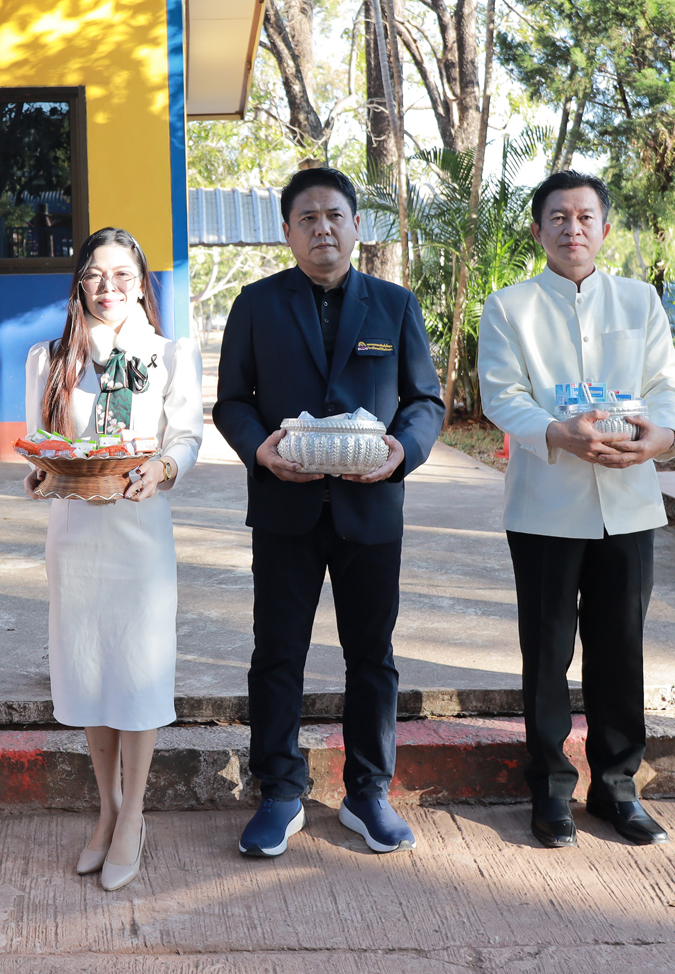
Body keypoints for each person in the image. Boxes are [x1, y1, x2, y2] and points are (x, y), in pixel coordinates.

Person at [213, 167, 445, 858]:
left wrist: (402, 451)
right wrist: (260, 450)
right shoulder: (256, 304)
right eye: (307, 218)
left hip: (369, 508)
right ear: (287, 231)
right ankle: (280, 791)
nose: (322, 229)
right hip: (283, 509)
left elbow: (425, 401)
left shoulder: (394, 305)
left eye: (334, 215)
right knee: (277, 653)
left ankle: (367, 792)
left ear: (356, 226)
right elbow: (232, 402)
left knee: (372, 655)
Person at [475, 172, 675, 849]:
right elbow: (501, 393)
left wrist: (660, 437)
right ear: (538, 230)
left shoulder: (639, 300)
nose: (573, 228)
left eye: (586, 217)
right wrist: (555, 432)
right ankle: (549, 787)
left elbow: (667, 386)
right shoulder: (509, 307)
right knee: (547, 651)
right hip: (545, 504)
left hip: (628, 502)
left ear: (605, 229)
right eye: (559, 217)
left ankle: (617, 786)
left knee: (620, 649)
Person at [23, 227, 203, 891]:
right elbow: (42, 441)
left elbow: (186, 435)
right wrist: (40, 474)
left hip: (140, 533)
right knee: (91, 670)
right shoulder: (51, 358)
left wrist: (164, 467)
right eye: (95, 275)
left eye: (122, 275)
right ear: (79, 284)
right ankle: (107, 808)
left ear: (141, 283)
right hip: (76, 534)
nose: (108, 287)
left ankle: (134, 815)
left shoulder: (169, 354)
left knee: (138, 673)